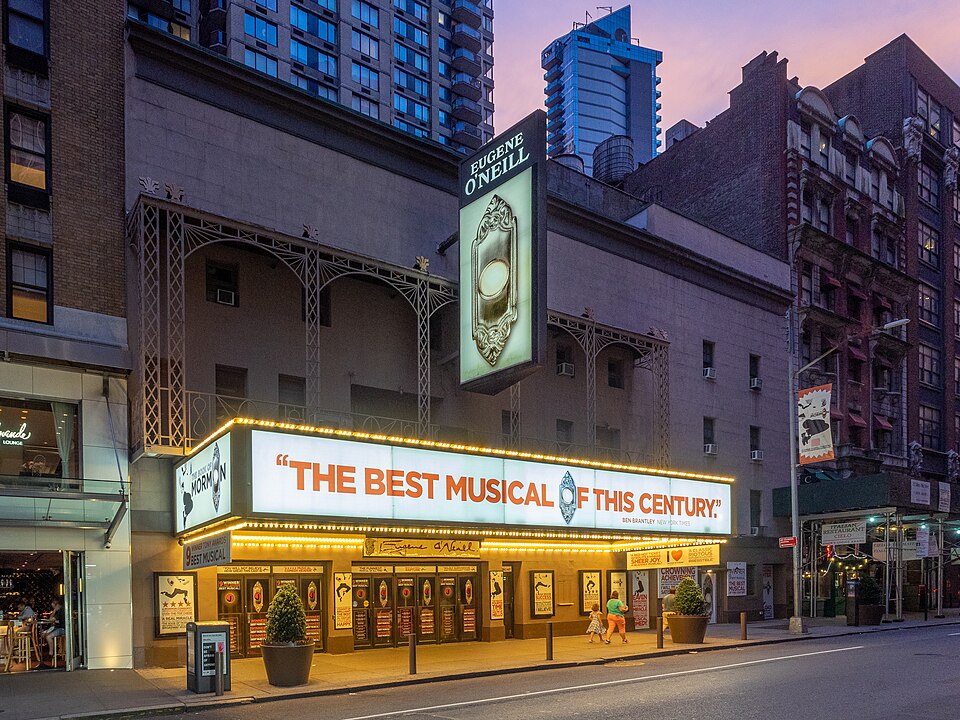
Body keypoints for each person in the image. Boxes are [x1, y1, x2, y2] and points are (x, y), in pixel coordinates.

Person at [42, 598, 65, 666]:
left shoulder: (60, 611)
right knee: (45, 634)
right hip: (61, 628)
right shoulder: (62, 610)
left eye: (53, 606)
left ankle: (51, 653)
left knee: (48, 636)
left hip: (62, 629)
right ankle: (57, 650)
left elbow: (50, 619)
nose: (53, 608)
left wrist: (54, 611)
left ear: (56, 605)